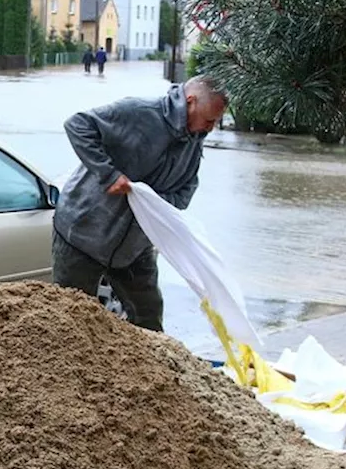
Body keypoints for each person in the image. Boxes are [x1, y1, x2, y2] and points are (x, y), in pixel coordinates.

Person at [51, 75, 229, 332]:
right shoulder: (139, 112)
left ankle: (152, 372)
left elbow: (186, 189)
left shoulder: (194, 140)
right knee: (71, 320)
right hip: (81, 234)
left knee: (149, 320)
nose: (211, 128)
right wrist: (109, 174)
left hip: (135, 248)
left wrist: (152, 202)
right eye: (209, 120)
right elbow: (77, 125)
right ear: (190, 102)